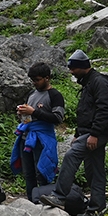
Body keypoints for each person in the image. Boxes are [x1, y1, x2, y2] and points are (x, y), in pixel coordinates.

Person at [40, 50, 108, 216]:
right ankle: (96, 208)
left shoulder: (99, 82)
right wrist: (78, 133)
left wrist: (94, 134)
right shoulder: (88, 83)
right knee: (94, 170)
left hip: (98, 132)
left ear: (82, 67)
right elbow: (86, 112)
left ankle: (59, 196)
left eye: (73, 69)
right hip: (88, 132)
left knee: (71, 156)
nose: (71, 72)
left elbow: (104, 110)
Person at [11, 62, 65, 202]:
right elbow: (30, 116)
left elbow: (58, 118)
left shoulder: (54, 95)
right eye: (33, 80)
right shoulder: (32, 94)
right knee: (28, 173)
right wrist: (23, 114)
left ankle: (45, 199)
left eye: (37, 80)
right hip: (27, 136)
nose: (34, 83)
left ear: (47, 78)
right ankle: (31, 199)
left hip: (43, 139)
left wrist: (34, 112)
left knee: (42, 171)